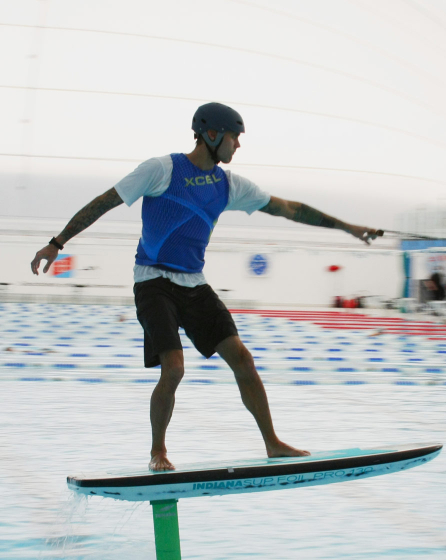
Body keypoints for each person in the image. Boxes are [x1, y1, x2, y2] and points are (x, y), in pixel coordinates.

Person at [30, 103, 383, 471]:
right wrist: (57, 243)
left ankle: (273, 443)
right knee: (174, 367)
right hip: (152, 280)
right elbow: (105, 201)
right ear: (212, 135)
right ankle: (158, 451)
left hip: (193, 283)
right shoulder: (161, 170)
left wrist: (349, 227)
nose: (238, 146)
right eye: (235, 138)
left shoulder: (229, 185)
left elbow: (290, 209)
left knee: (242, 358)